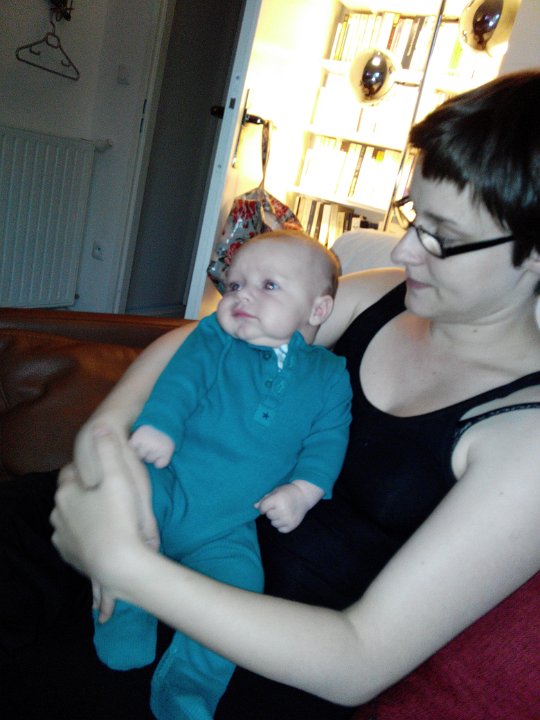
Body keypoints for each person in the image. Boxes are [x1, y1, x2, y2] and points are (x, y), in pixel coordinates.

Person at [2, 70, 538, 720]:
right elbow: (200, 342)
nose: (404, 249)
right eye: (413, 215)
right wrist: (107, 442)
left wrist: (123, 565)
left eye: (441, 236)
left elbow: (359, 658)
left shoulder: (525, 437)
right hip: (151, 519)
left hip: (240, 647)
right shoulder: (379, 297)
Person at [92, 230, 352, 720]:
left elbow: (329, 439)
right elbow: (182, 380)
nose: (242, 296)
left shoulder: (330, 375)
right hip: (167, 482)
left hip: (227, 526)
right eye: (234, 285)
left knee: (242, 590)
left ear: (318, 310)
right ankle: (124, 615)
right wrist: (161, 425)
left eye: (268, 285)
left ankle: (187, 687)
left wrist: (303, 490)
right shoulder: (215, 338)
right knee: (123, 520)